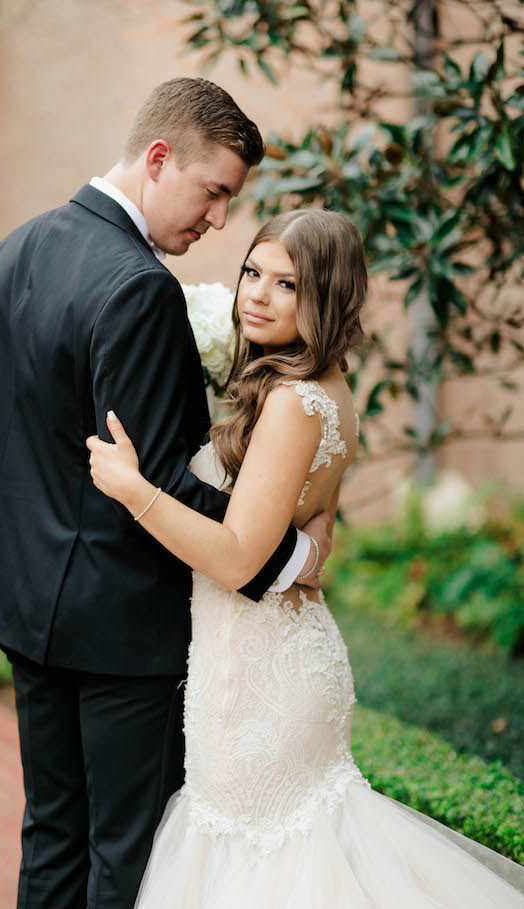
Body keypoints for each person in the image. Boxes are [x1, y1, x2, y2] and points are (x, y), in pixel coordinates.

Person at [0, 79, 330, 909]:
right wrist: (290, 553)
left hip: (24, 611)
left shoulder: (16, 246)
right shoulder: (140, 287)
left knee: (54, 836)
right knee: (128, 858)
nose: (218, 219)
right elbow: (157, 483)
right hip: (116, 632)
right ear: (157, 159)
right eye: (214, 191)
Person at [87, 208, 524, 908]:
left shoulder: (293, 403)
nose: (256, 294)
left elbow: (235, 559)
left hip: (261, 681)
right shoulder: (325, 389)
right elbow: (297, 528)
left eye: (285, 284)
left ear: (323, 297)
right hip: (261, 657)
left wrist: (132, 489)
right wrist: (303, 551)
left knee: (260, 868)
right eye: (252, 273)